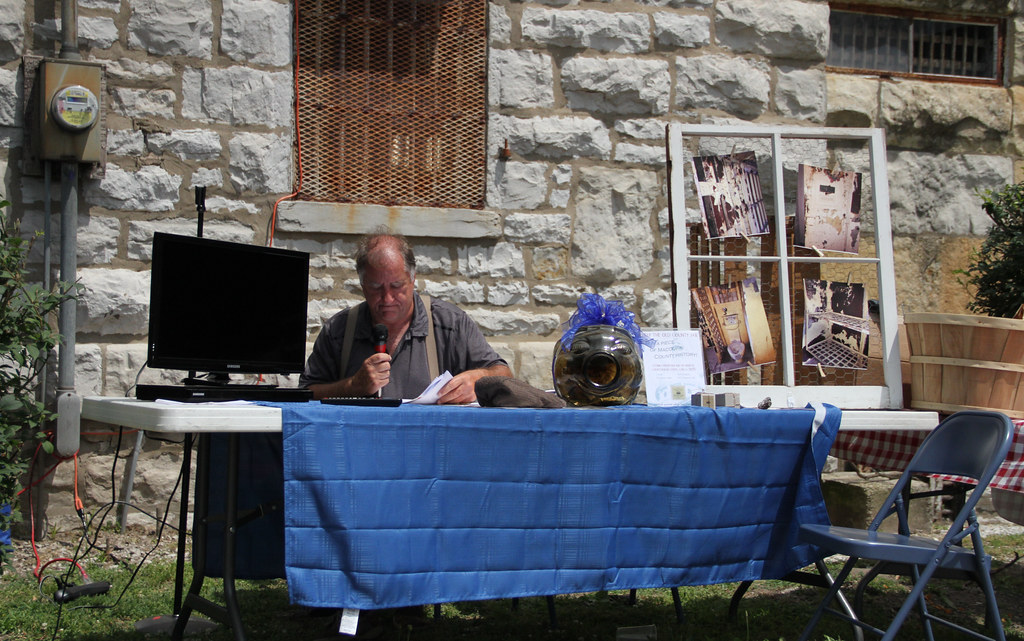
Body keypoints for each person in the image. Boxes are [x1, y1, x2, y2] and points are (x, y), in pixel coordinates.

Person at [300, 229, 512, 404]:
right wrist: (353, 386)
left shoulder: (450, 324)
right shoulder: (340, 330)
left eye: (396, 286)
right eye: (376, 287)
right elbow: (305, 394)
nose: (388, 298)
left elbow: (504, 374)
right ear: (362, 285)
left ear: (413, 279)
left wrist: (478, 380)